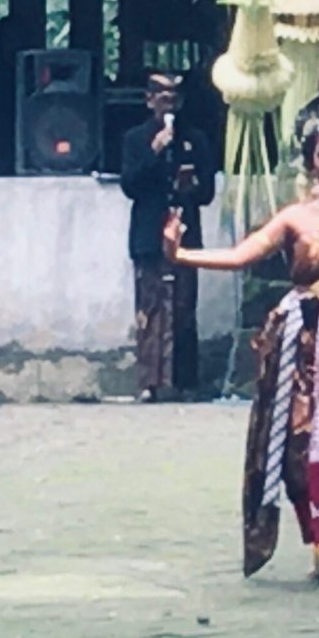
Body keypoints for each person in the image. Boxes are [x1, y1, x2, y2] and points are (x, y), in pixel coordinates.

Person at [164, 62, 319, 581]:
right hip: (299, 342)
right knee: (299, 444)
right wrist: (182, 254)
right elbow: (241, 255)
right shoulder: (295, 216)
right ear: (312, 162)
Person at [119, 71, 216, 401]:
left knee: (183, 309)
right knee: (150, 309)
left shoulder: (196, 139)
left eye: (174, 96)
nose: (168, 102)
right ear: (149, 100)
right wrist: (155, 151)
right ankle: (149, 382)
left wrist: (192, 186)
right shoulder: (135, 138)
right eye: (161, 95)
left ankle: (185, 382)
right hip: (149, 234)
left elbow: (207, 193)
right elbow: (130, 185)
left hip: (184, 234)